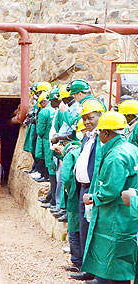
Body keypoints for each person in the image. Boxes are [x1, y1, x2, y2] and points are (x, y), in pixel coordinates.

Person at [82, 112, 138, 284]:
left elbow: (110, 190)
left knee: (111, 263)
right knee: (122, 262)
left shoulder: (115, 156)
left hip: (114, 216)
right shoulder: (131, 148)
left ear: (106, 133)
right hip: (126, 215)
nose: (98, 135)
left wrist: (93, 197)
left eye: (100, 132)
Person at [70, 99, 105, 282]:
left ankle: (95, 271)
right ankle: (87, 267)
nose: (87, 122)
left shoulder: (102, 139)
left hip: (92, 192)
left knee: (93, 231)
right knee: (84, 230)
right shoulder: (89, 137)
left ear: (101, 116)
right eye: (84, 119)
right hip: (82, 190)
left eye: (90, 118)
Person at [61, 141, 83, 272]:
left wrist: (69, 192)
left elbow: (67, 178)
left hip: (75, 197)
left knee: (74, 229)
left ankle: (77, 262)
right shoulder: (85, 151)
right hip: (88, 195)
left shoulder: (70, 155)